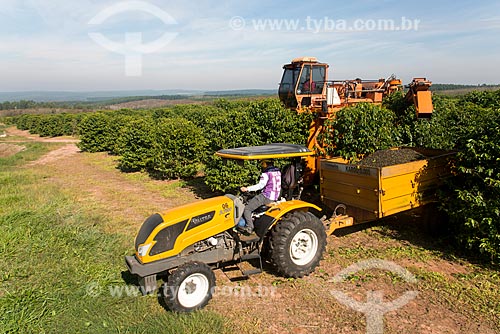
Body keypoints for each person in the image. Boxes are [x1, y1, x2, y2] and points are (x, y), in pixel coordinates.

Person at [239, 160, 281, 234]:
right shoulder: (277, 171)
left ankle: (249, 227)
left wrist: (247, 188)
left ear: (265, 164)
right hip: (275, 196)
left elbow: (260, 185)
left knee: (247, 209)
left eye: (263, 163)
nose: (262, 165)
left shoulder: (266, 173)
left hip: (266, 196)